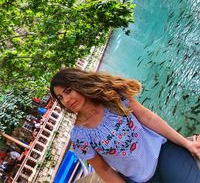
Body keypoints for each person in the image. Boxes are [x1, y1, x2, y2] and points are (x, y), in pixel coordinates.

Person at [50, 68, 200, 183]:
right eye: (61, 97)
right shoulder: (79, 137)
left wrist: (187, 143)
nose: (66, 100)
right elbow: (103, 169)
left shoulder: (113, 96)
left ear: (79, 84)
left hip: (163, 153)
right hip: (138, 179)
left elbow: (147, 118)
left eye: (68, 91)